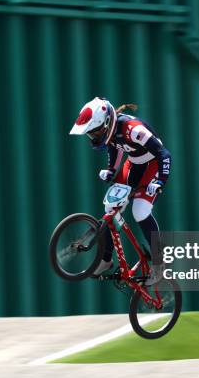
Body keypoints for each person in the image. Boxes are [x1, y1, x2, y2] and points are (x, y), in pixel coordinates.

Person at [69, 97, 171, 286]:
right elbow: (115, 148)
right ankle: (106, 260)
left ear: (107, 123)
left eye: (94, 131)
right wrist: (111, 170)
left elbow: (164, 154)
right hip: (133, 164)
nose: (93, 136)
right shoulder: (111, 132)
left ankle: (159, 261)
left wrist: (159, 181)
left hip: (153, 165)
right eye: (90, 134)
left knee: (140, 211)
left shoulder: (134, 130)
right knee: (110, 209)